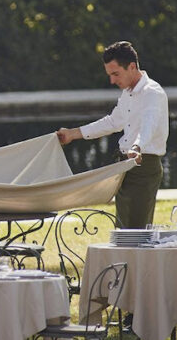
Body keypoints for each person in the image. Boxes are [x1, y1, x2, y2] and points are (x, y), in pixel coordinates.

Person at [57, 41, 169, 229]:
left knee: (136, 233)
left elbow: (148, 126)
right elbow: (113, 122)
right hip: (125, 166)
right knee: (123, 232)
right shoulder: (128, 93)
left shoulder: (152, 93)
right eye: (109, 75)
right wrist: (73, 134)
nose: (112, 81)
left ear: (132, 67)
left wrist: (136, 147)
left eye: (115, 74)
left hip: (143, 166)